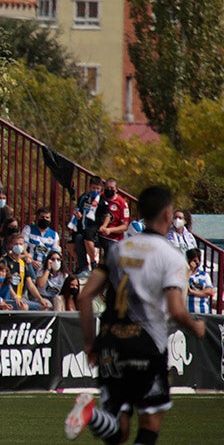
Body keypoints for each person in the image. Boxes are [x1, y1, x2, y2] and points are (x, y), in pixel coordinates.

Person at [65, 185, 207, 444]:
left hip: (110, 343)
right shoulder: (171, 256)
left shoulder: (119, 250)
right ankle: (92, 415)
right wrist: (195, 326)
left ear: (139, 212)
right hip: (146, 344)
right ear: (167, 215)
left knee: (117, 430)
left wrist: (90, 342)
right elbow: (176, 310)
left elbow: (85, 296)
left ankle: (92, 416)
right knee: (150, 422)